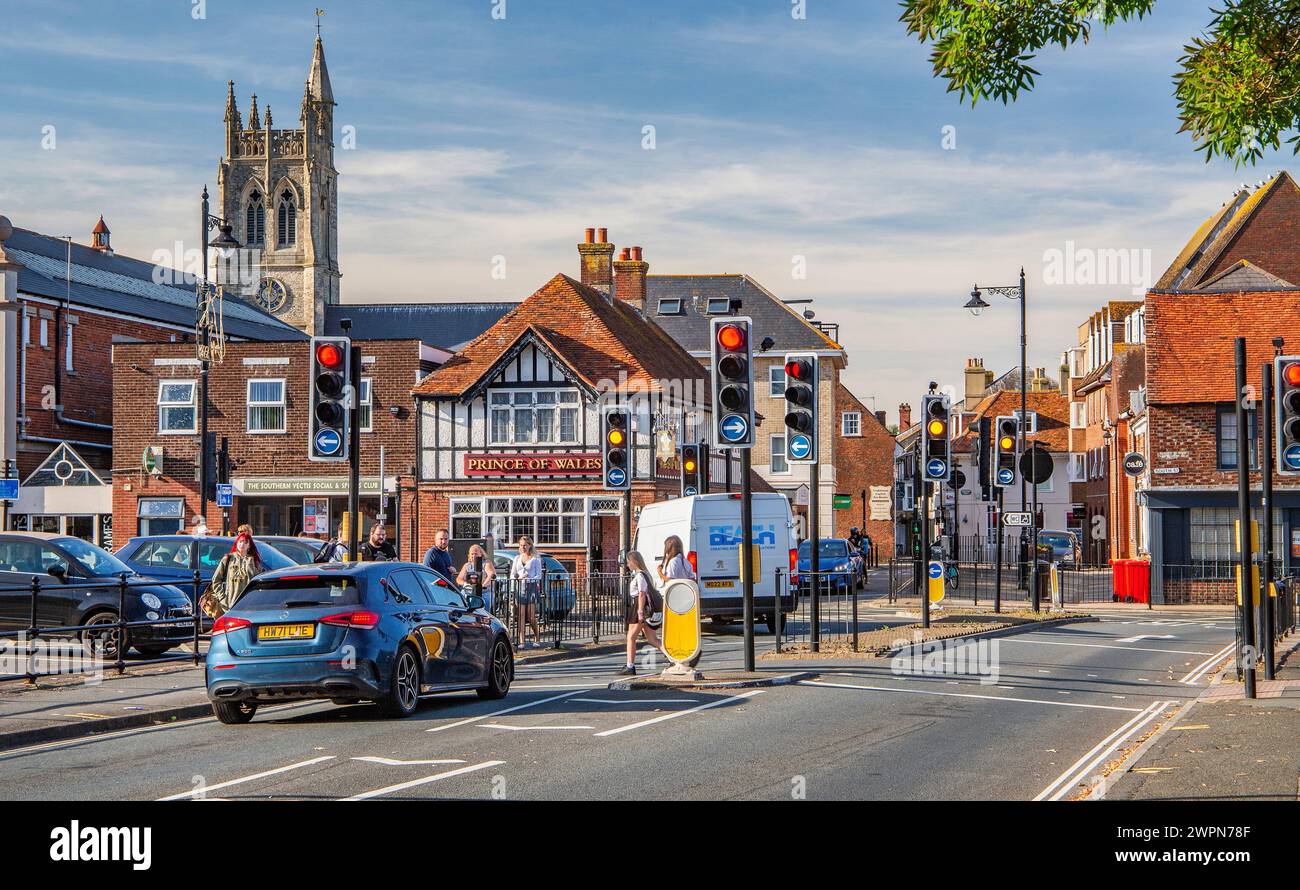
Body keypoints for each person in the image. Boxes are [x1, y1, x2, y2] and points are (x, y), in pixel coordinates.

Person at [619, 550, 663, 676]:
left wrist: (639, 612)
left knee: (631, 637)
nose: (627, 565)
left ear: (634, 561)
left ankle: (630, 666)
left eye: (628, 562)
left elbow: (642, 594)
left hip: (639, 607)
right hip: (645, 608)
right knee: (652, 639)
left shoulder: (640, 575)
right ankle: (673, 658)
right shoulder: (646, 574)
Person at [205, 531, 264, 618]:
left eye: (245, 542)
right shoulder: (228, 559)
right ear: (236, 544)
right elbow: (216, 580)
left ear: (249, 545)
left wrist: (250, 562)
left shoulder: (253, 561)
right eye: (240, 541)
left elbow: (255, 579)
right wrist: (222, 598)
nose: (242, 544)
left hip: (247, 605)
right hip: (228, 605)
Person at [509, 536, 543, 650]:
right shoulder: (517, 558)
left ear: (530, 545)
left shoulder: (535, 558)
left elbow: (539, 576)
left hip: (531, 588)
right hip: (520, 588)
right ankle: (522, 641)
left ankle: (537, 637)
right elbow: (512, 574)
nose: (523, 547)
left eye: (525, 545)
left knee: (531, 616)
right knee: (521, 616)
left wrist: (528, 578)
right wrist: (518, 578)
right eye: (521, 545)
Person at [456, 544, 497, 611]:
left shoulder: (486, 563)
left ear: (481, 554)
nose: (474, 556)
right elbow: (458, 579)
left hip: (484, 592)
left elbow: (491, 575)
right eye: (472, 554)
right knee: (461, 602)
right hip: (469, 591)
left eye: (476, 554)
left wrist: (483, 585)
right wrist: (466, 584)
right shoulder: (467, 565)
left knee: (483, 607)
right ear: (469, 555)